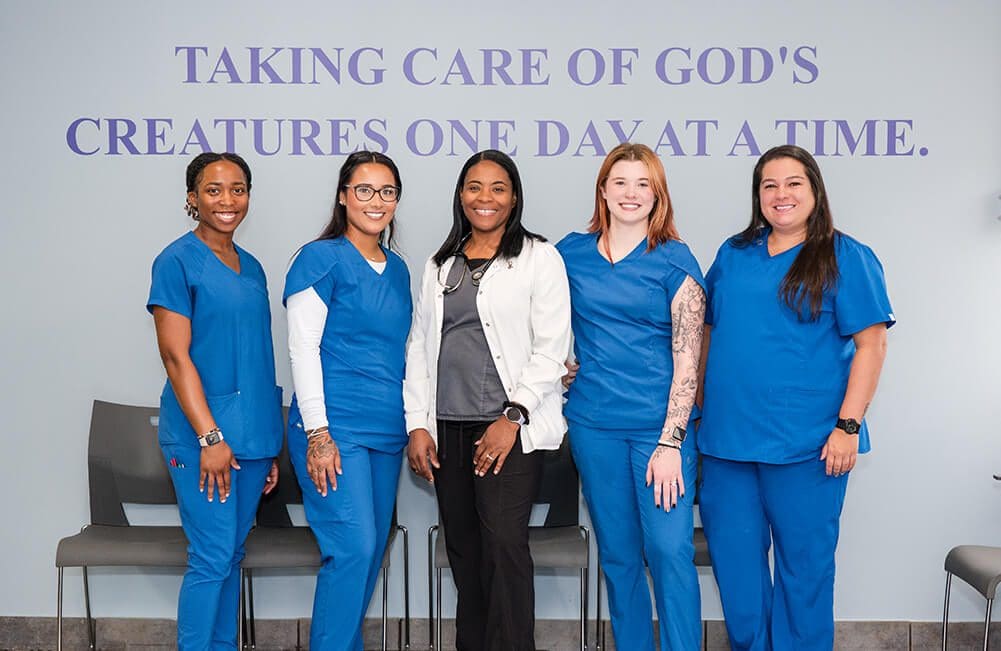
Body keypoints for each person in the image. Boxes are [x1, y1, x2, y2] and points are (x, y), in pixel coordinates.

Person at [698, 144, 894, 650]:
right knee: (737, 577)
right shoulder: (733, 253)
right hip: (725, 446)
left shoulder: (847, 256)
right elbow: (708, 334)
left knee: (803, 576)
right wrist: (698, 412)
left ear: (815, 190)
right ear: (758, 196)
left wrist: (848, 427)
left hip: (809, 448)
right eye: (769, 185)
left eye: (793, 183)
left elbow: (872, 344)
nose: (781, 194)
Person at [404, 150, 571, 651]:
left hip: (508, 431)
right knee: (465, 552)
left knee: (503, 548)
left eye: (498, 188)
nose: (485, 197)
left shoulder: (539, 257)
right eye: (474, 187)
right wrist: (418, 424)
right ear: (461, 195)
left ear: (514, 197)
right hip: (448, 431)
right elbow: (420, 348)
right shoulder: (439, 265)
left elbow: (552, 349)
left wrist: (512, 415)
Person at [556, 142, 705, 651]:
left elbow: (689, 359)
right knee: (618, 556)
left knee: (668, 552)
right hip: (593, 426)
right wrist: (557, 369)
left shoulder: (676, 260)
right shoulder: (569, 253)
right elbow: (538, 324)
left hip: (657, 431)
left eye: (644, 183)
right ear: (603, 190)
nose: (631, 193)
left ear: (658, 194)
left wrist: (670, 443)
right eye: (620, 181)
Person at [148, 152, 283, 651]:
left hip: (250, 438)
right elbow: (176, 357)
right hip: (202, 436)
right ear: (192, 198)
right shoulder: (176, 261)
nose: (228, 200)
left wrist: (263, 444)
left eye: (238, 188)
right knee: (211, 556)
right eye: (213, 189)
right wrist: (211, 437)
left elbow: (254, 359)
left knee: (230, 555)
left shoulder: (253, 268)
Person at [283, 151, 412, 651]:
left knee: (371, 550)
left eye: (386, 192)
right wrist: (318, 433)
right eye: (363, 190)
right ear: (342, 195)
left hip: (386, 433)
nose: (375, 201)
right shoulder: (319, 258)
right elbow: (302, 348)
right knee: (353, 549)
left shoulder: (398, 270)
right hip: (334, 431)